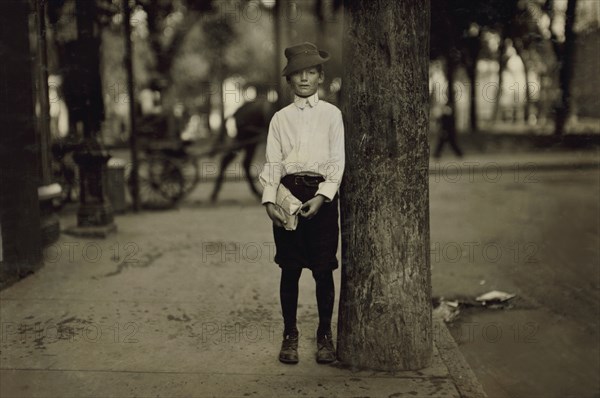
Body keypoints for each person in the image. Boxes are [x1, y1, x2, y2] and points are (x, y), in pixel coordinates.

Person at [259, 42, 345, 365]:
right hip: (288, 196)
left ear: (320, 77)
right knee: (290, 268)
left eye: (311, 72)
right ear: (289, 80)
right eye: (298, 74)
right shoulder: (280, 120)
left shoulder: (332, 116)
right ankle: (290, 335)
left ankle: (324, 335)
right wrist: (271, 201)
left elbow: (337, 162)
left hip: (321, 197)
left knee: (324, 269)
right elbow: (272, 164)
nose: (305, 79)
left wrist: (324, 197)